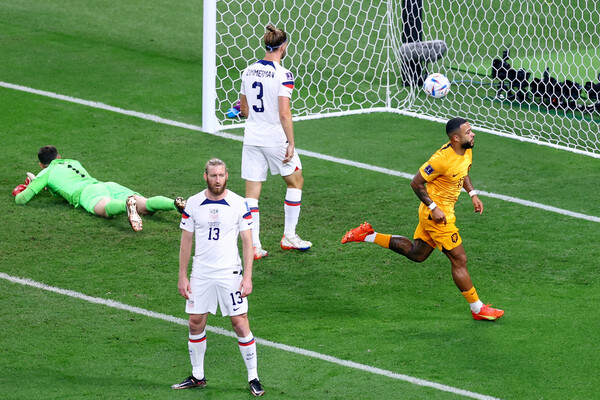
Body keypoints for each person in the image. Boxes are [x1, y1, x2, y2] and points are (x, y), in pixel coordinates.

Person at [341, 118, 504, 321]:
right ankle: (477, 308)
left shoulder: (466, 149)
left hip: (442, 212)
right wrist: (434, 208)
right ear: (455, 138)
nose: (473, 134)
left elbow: (462, 172)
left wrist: (473, 194)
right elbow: (416, 183)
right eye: (468, 132)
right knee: (459, 259)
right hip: (437, 216)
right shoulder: (440, 159)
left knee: (417, 254)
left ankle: (368, 235)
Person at [172, 158, 264, 397]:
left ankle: (253, 377)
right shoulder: (193, 203)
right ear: (205, 176)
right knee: (195, 321)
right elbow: (186, 241)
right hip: (201, 273)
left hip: (229, 273)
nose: (217, 180)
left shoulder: (239, 203)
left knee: (240, 323)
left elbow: (247, 241)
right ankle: (197, 376)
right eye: (213, 175)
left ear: (227, 176)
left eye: (221, 175)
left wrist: (248, 277)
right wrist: (182, 275)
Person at [239, 23, 311, 260]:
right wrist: (291, 142)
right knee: (295, 181)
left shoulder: (248, 71)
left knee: (252, 193)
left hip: (252, 138)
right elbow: (284, 113)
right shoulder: (284, 75)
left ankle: (254, 246)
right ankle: (289, 236)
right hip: (274, 138)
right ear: (283, 47)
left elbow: (244, 110)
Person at [12, 145, 185, 232]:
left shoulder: (46, 173)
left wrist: (31, 185)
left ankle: (126, 205)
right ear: (59, 156)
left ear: (41, 165)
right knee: (145, 205)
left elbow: (22, 199)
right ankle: (174, 203)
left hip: (87, 193)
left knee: (105, 209)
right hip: (106, 185)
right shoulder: (73, 162)